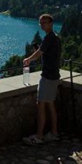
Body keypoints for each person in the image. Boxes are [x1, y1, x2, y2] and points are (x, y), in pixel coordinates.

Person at [22, 13, 62, 145]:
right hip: (54, 76)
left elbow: (39, 54)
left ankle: (39, 136)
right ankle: (54, 133)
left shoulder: (49, 38)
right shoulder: (55, 37)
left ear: (50, 23)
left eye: (44, 22)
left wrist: (28, 59)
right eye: (41, 23)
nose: (42, 25)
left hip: (48, 77)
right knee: (50, 105)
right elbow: (44, 52)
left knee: (41, 105)